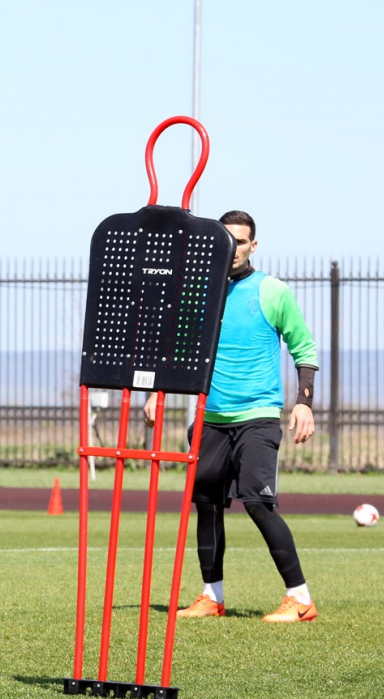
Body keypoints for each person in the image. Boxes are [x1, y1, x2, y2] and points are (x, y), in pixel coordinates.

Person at [145, 210, 318, 622]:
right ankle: (212, 596)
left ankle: (300, 598)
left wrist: (304, 401)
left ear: (252, 246)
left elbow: (304, 349)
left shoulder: (272, 291)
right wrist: (158, 392)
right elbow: (177, 348)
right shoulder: (198, 291)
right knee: (205, 503)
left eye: (241, 241)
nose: (234, 247)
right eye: (227, 239)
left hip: (257, 415)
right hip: (211, 418)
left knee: (258, 503)